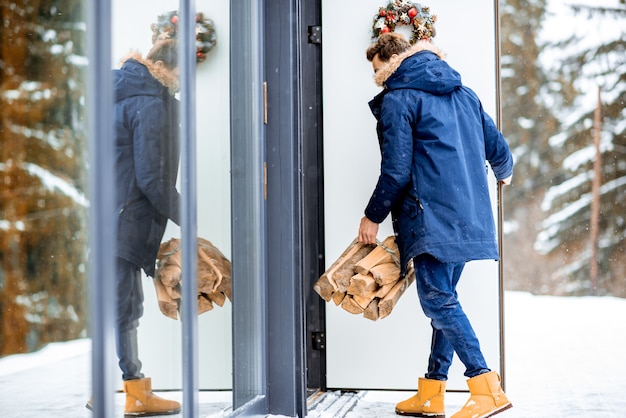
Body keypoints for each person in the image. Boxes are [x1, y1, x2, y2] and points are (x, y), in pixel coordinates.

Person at [357, 29, 514, 418]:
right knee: (444, 299)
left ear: (388, 64)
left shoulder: (398, 97)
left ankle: (486, 387)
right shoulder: (464, 93)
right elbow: (499, 150)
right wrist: (503, 174)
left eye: (377, 71)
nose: (378, 79)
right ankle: (433, 391)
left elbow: (395, 169)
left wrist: (372, 216)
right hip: (467, 214)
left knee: (436, 299)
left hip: (432, 216)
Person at [87, 39, 182, 416]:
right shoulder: (148, 101)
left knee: (116, 305)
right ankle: (136, 393)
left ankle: (107, 388)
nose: (180, 83)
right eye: (180, 74)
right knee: (126, 308)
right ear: (164, 67)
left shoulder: (117, 93)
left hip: (107, 215)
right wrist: (186, 215)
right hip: (126, 218)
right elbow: (151, 177)